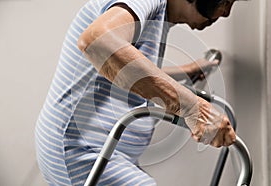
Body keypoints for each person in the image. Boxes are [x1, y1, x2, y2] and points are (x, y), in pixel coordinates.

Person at [35, 0, 241, 185]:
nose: (226, 13)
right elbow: (98, 41)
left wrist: (185, 72)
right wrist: (193, 108)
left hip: (100, 151)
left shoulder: (157, 14)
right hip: (81, 151)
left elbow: (120, 70)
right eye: (225, 1)